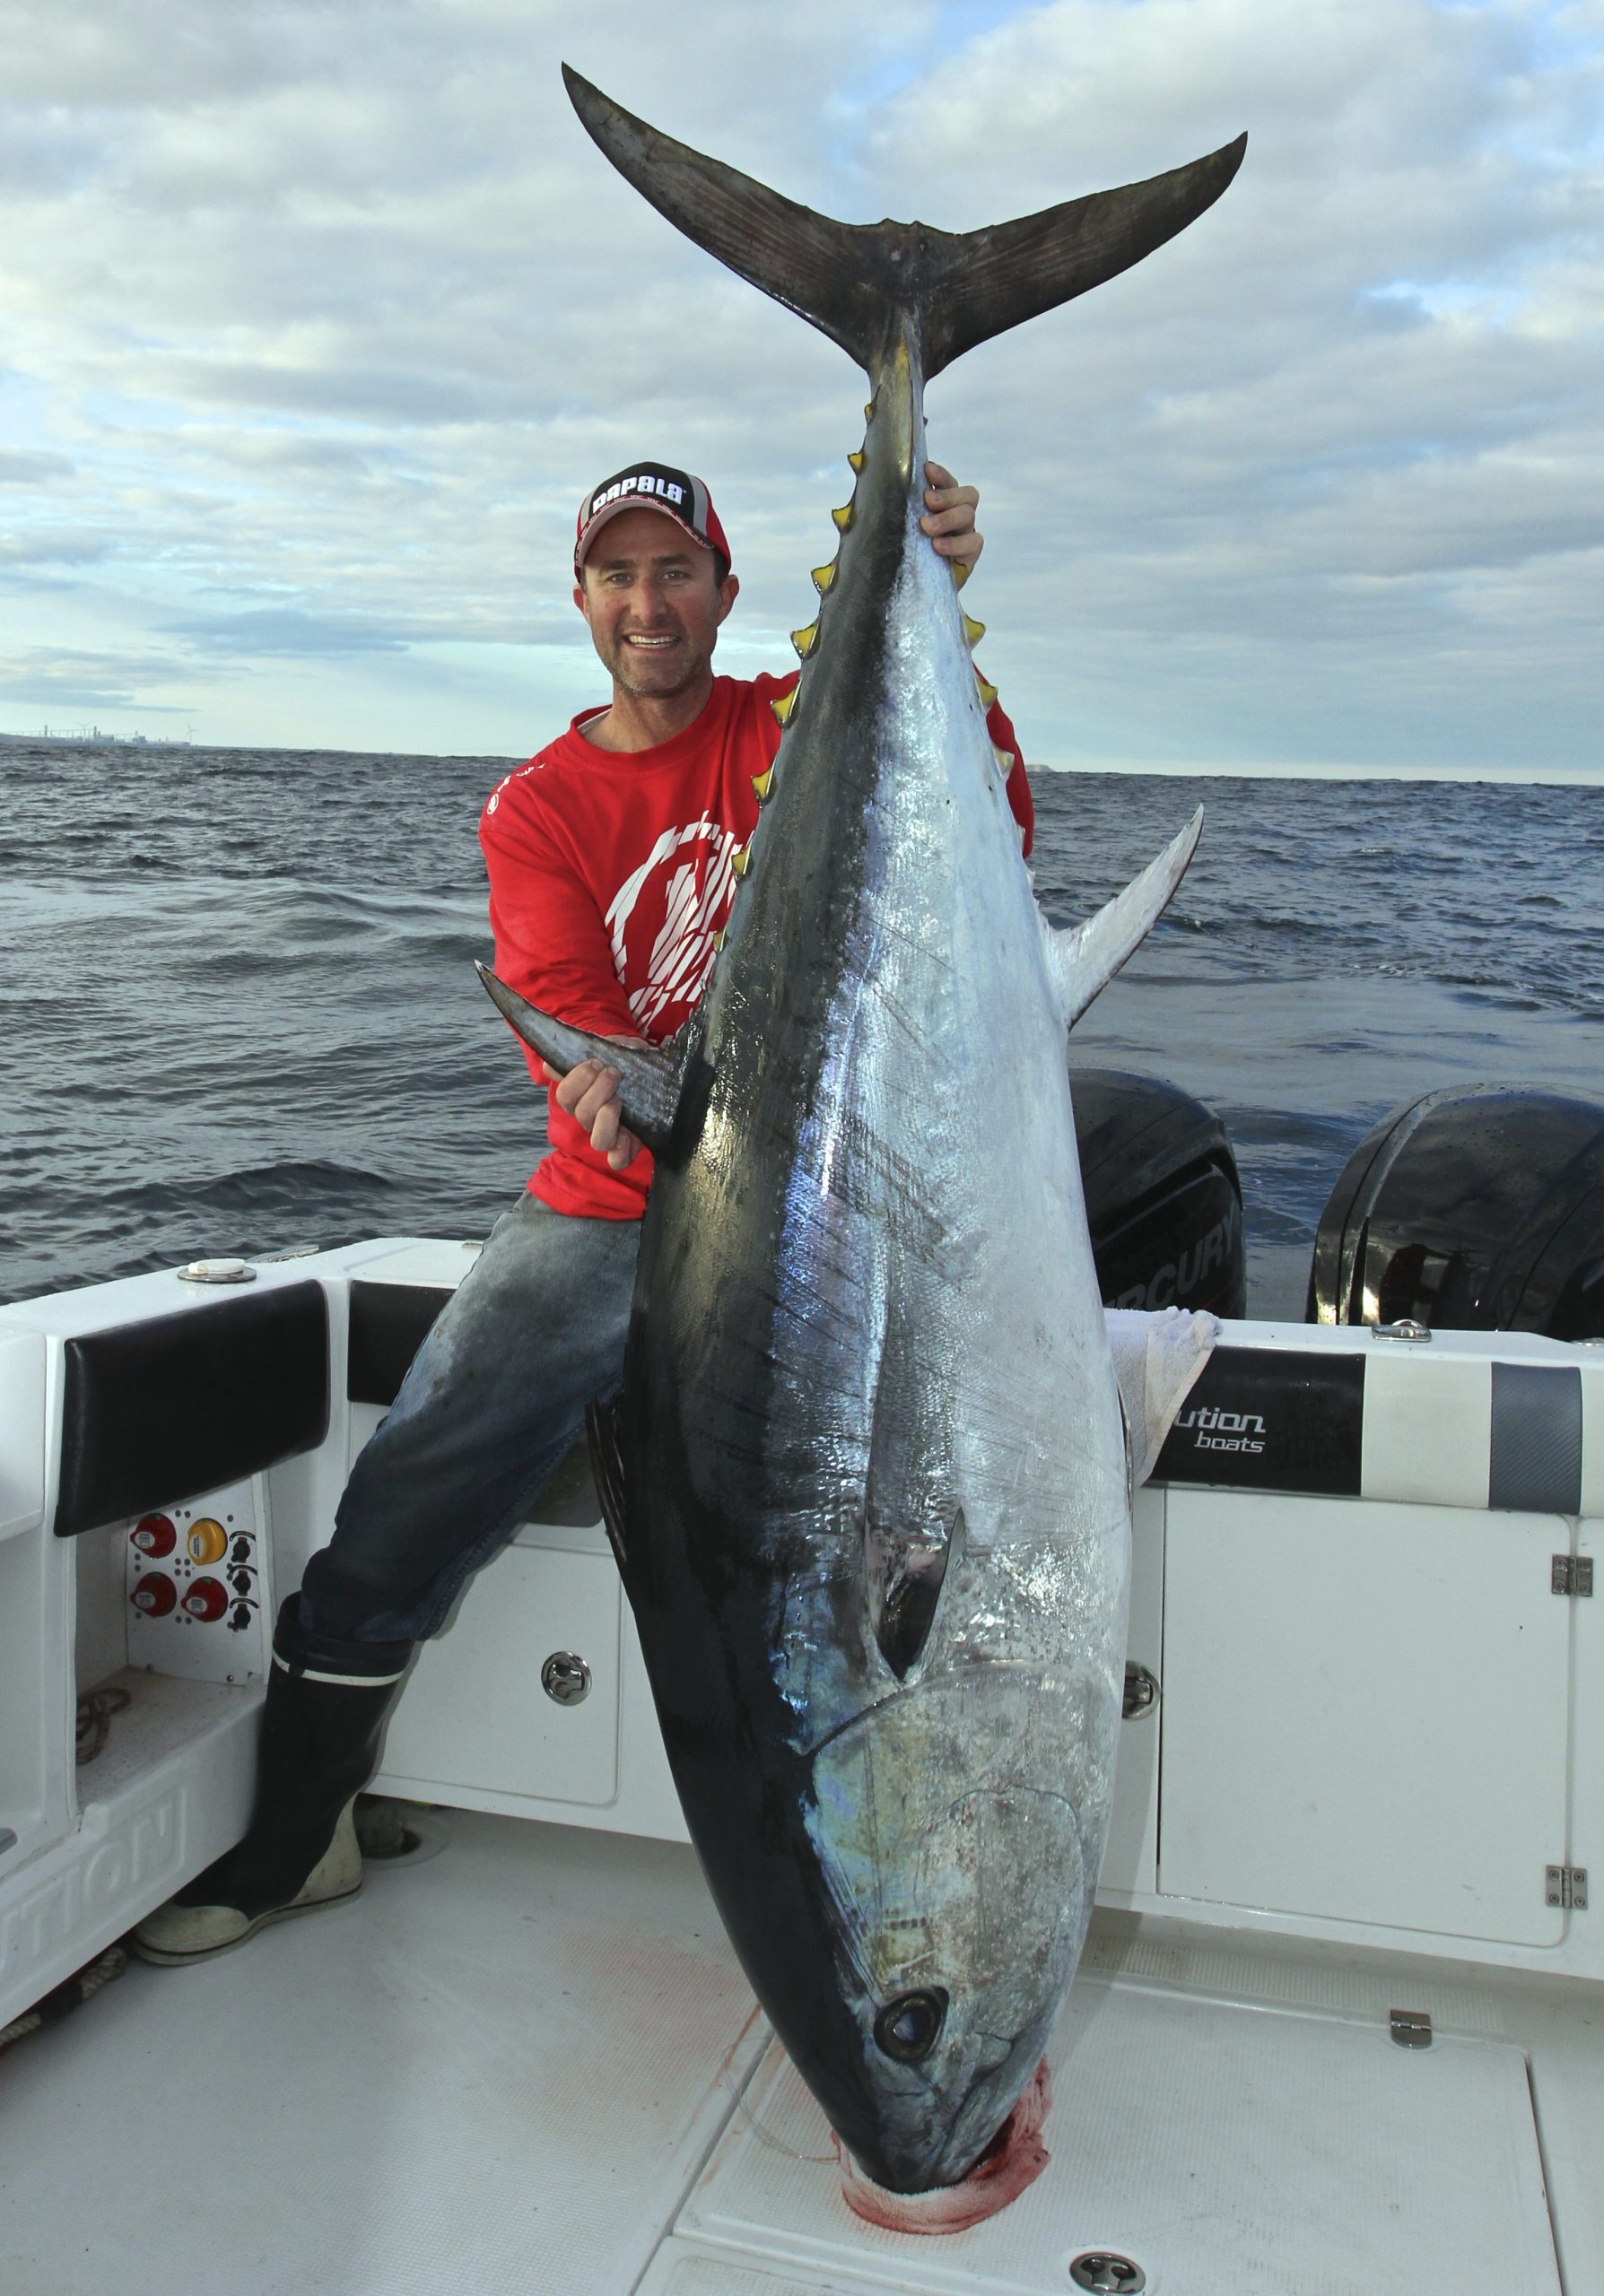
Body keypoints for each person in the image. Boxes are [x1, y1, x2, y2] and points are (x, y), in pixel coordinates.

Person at [132, 457, 1034, 1967]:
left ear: (726, 593)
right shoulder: (538, 809)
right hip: (615, 1207)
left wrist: (936, 589)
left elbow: (988, 827)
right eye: (618, 575)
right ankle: (300, 1839)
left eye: (675, 571)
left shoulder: (783, 725)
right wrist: (612, 1091)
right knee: (414, 1483)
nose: (647, 603)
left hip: (820, 1218)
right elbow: (567, 1021)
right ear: (581, 599)